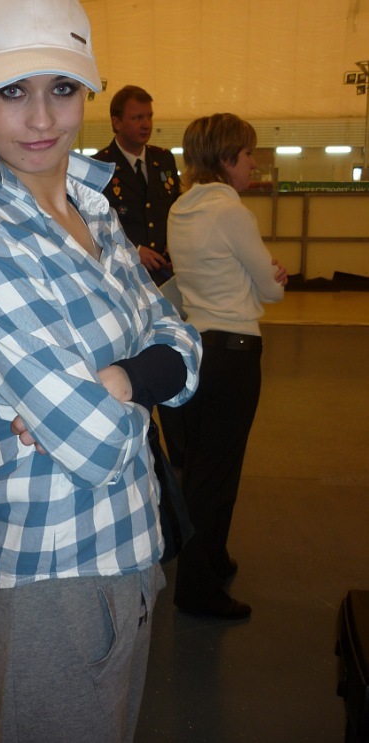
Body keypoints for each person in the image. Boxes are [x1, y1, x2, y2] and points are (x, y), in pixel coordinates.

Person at [0, 0, 202, 743]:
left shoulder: (93, 207)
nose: (41, 117)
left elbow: (184, 346)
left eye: (61, 88)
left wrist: (117, 379)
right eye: (12, 91)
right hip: (50, 576)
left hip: (131, 550)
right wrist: (140, 376)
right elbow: (95, 440)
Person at [160, 112, 288, 620]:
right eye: (248, 154)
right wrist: (270, 277)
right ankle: (198, 590)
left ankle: (211, 558)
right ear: (227, 158)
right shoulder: (232, 212)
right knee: (218, 475)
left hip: (195, 351)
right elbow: (271, 288)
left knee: (201, 468)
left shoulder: (181, 208)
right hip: (234, 355)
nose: (253, 164)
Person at [93, 85, 180, 286]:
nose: (146, 124)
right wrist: (133, 251)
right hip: (125, 275)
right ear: (116, 122)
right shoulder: (100, 166)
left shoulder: (163, 160)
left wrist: (176, 243)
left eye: (149, 117)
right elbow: (94, 226)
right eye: (137, 118)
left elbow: (177, 208)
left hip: (165, 272)